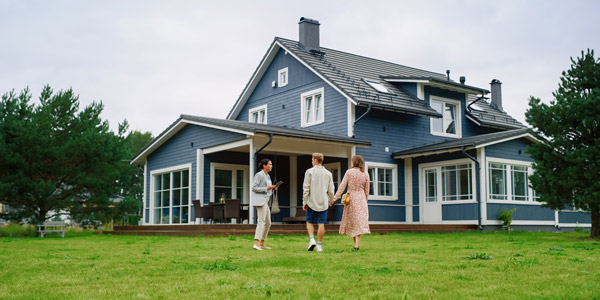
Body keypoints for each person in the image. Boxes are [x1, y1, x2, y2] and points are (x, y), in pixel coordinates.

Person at [332, 155, 370, 251]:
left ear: (354, 162)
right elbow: (367, 189)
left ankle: (356, 245)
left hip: (351, 198)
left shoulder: (349, 172)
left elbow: (342, 186)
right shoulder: (365, 174)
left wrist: (334, 198)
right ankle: (356, 245)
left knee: (353, 221)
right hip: (361, 199)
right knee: (359, 222)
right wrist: (365, 200)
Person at [302, 153, 335, 252]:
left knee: (309, 221)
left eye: (312, 160)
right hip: (323, 202)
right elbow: (331, 190)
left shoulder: (309, 172)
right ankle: (319, 245)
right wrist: (331, 200)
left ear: (315, 160)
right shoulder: (328, 173)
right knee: (321, 223)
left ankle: (312, 239)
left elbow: (306, 188)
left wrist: (304, 201)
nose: (312, 161)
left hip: (311, 201)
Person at [252, 158, 278, 250]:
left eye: (271, 164)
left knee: (268, 223)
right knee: (261, 221)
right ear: (264, 166)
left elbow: (267, 187)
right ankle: (256, 243)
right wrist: (266, 188)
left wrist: (272, 188)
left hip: (266, 200)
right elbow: (254, 188)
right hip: (260, 201)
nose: (271, 166)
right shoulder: (259, 175)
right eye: (270, 164)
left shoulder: (268, 176)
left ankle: (262, 243)